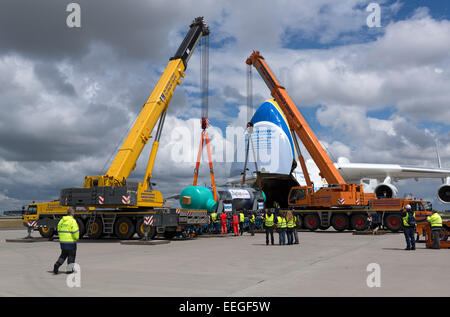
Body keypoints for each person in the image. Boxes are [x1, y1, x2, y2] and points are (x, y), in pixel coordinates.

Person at [53, 207, 79, 274]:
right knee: (71, 256)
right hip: (71, 242)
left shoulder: (61, 221)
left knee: (63, 255)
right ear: (72, 213)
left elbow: (58, 229)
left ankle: (57, 264)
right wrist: (76, 238)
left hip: (63, 242)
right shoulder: (72, 221)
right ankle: (69, 270)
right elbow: (75, 231)